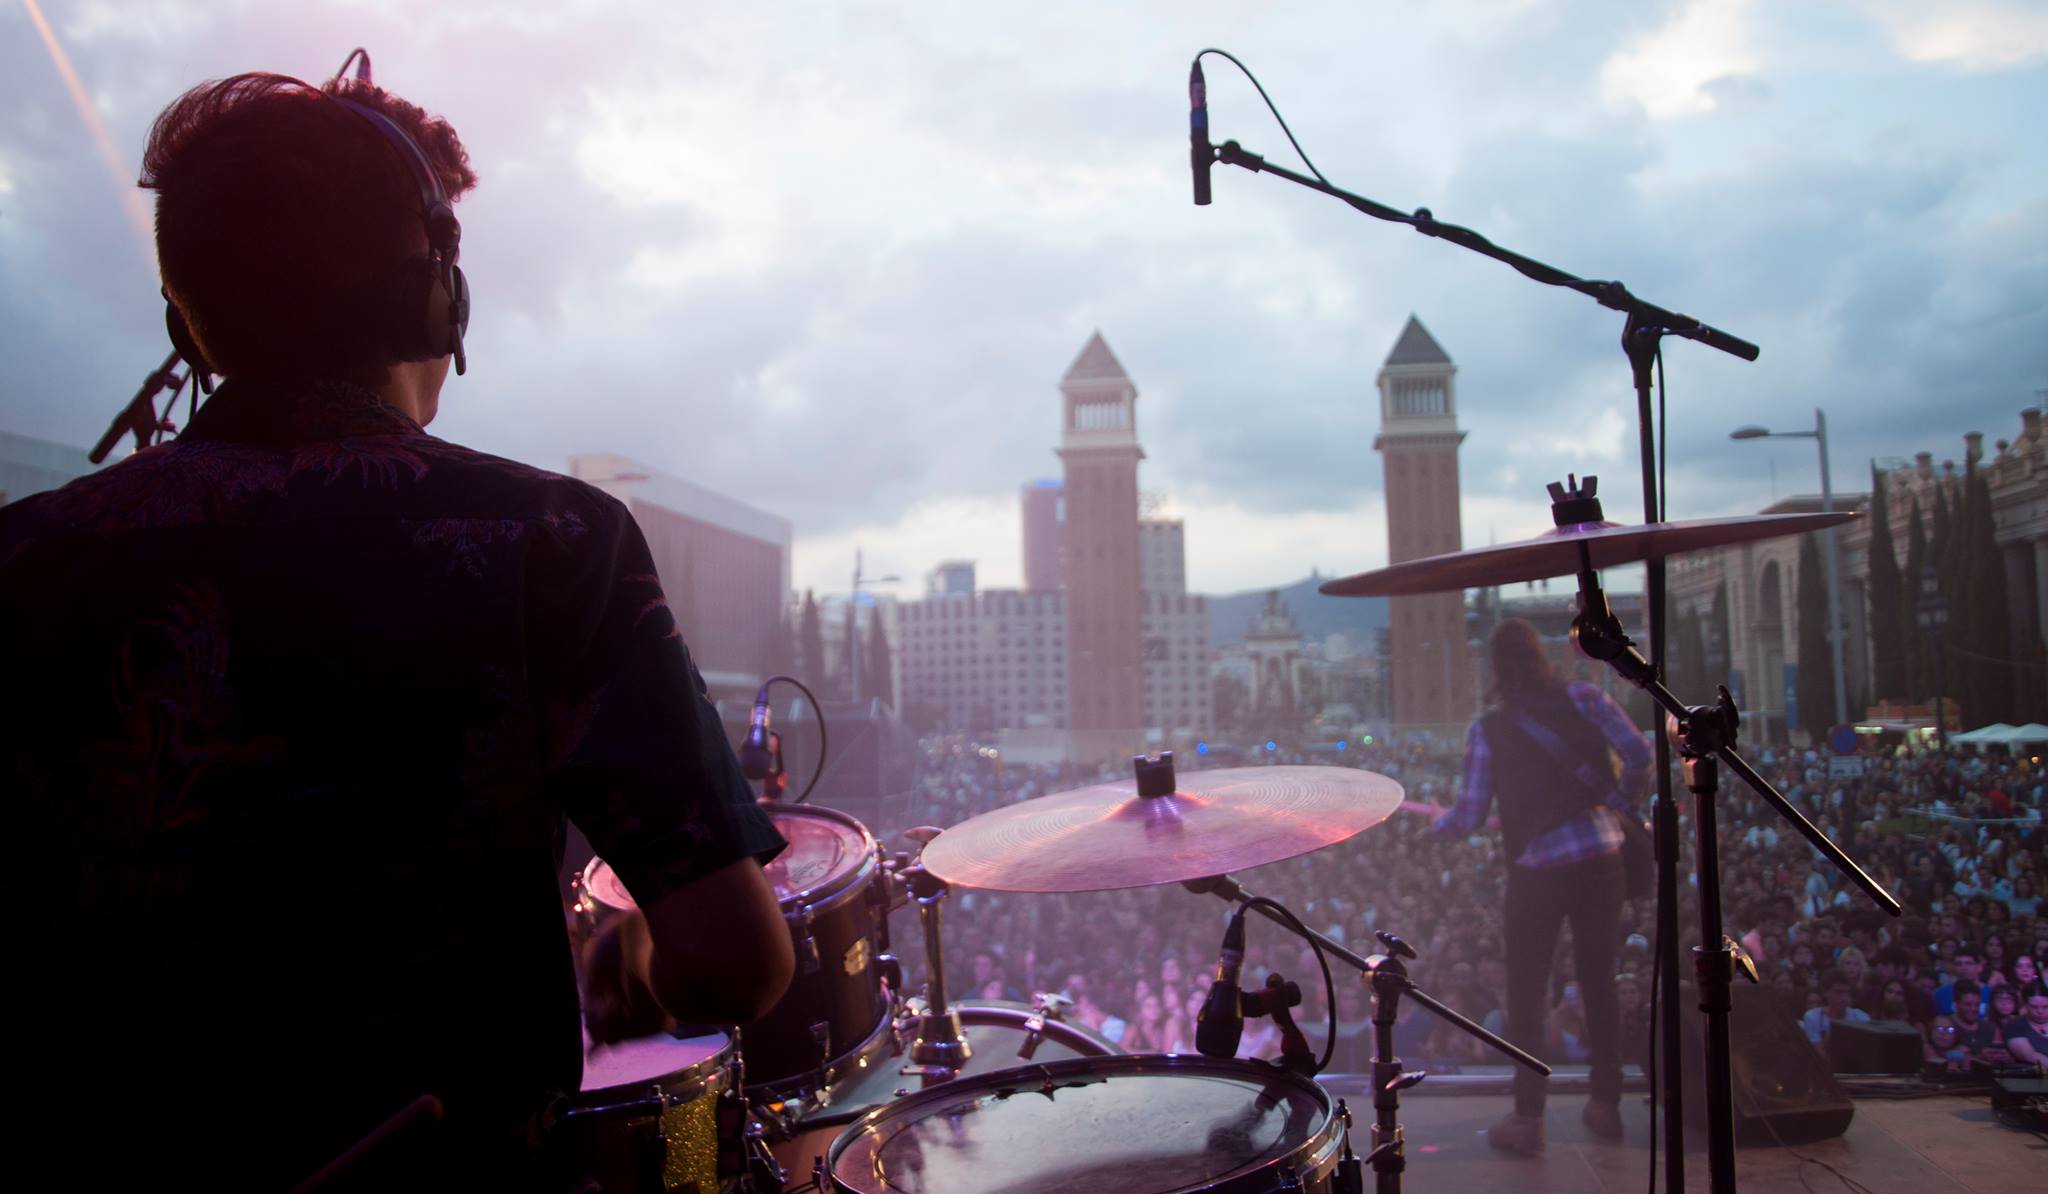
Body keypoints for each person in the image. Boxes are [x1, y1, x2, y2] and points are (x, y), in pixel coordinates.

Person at [1, 68, 794, 1189]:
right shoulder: (548, 541)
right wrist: (634, 951)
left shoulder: (23, 558)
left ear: (186, 321)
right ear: (438, 297)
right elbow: (730, 970)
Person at [1435, 619, 1652, 1154]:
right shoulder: (1587, 696)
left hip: (1537, 869)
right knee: (1600, 982)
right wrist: (1619, 804)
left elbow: (1469, 813)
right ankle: (1605, 1106)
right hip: (1603, 856)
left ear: (1496, 668)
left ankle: (1528, 1118)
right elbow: (1641, 754)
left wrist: (1441, 823)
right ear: (1544, 656)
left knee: (1527, 993)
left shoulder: (1488, 729)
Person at [2005, 992, 2048, 1074]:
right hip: (2032, 1079)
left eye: (2045, 1007)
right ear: (2025, 1006)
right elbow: (2029, 1055)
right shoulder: (2015, 1024)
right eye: (2034, 1007)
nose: (2040, 1011)